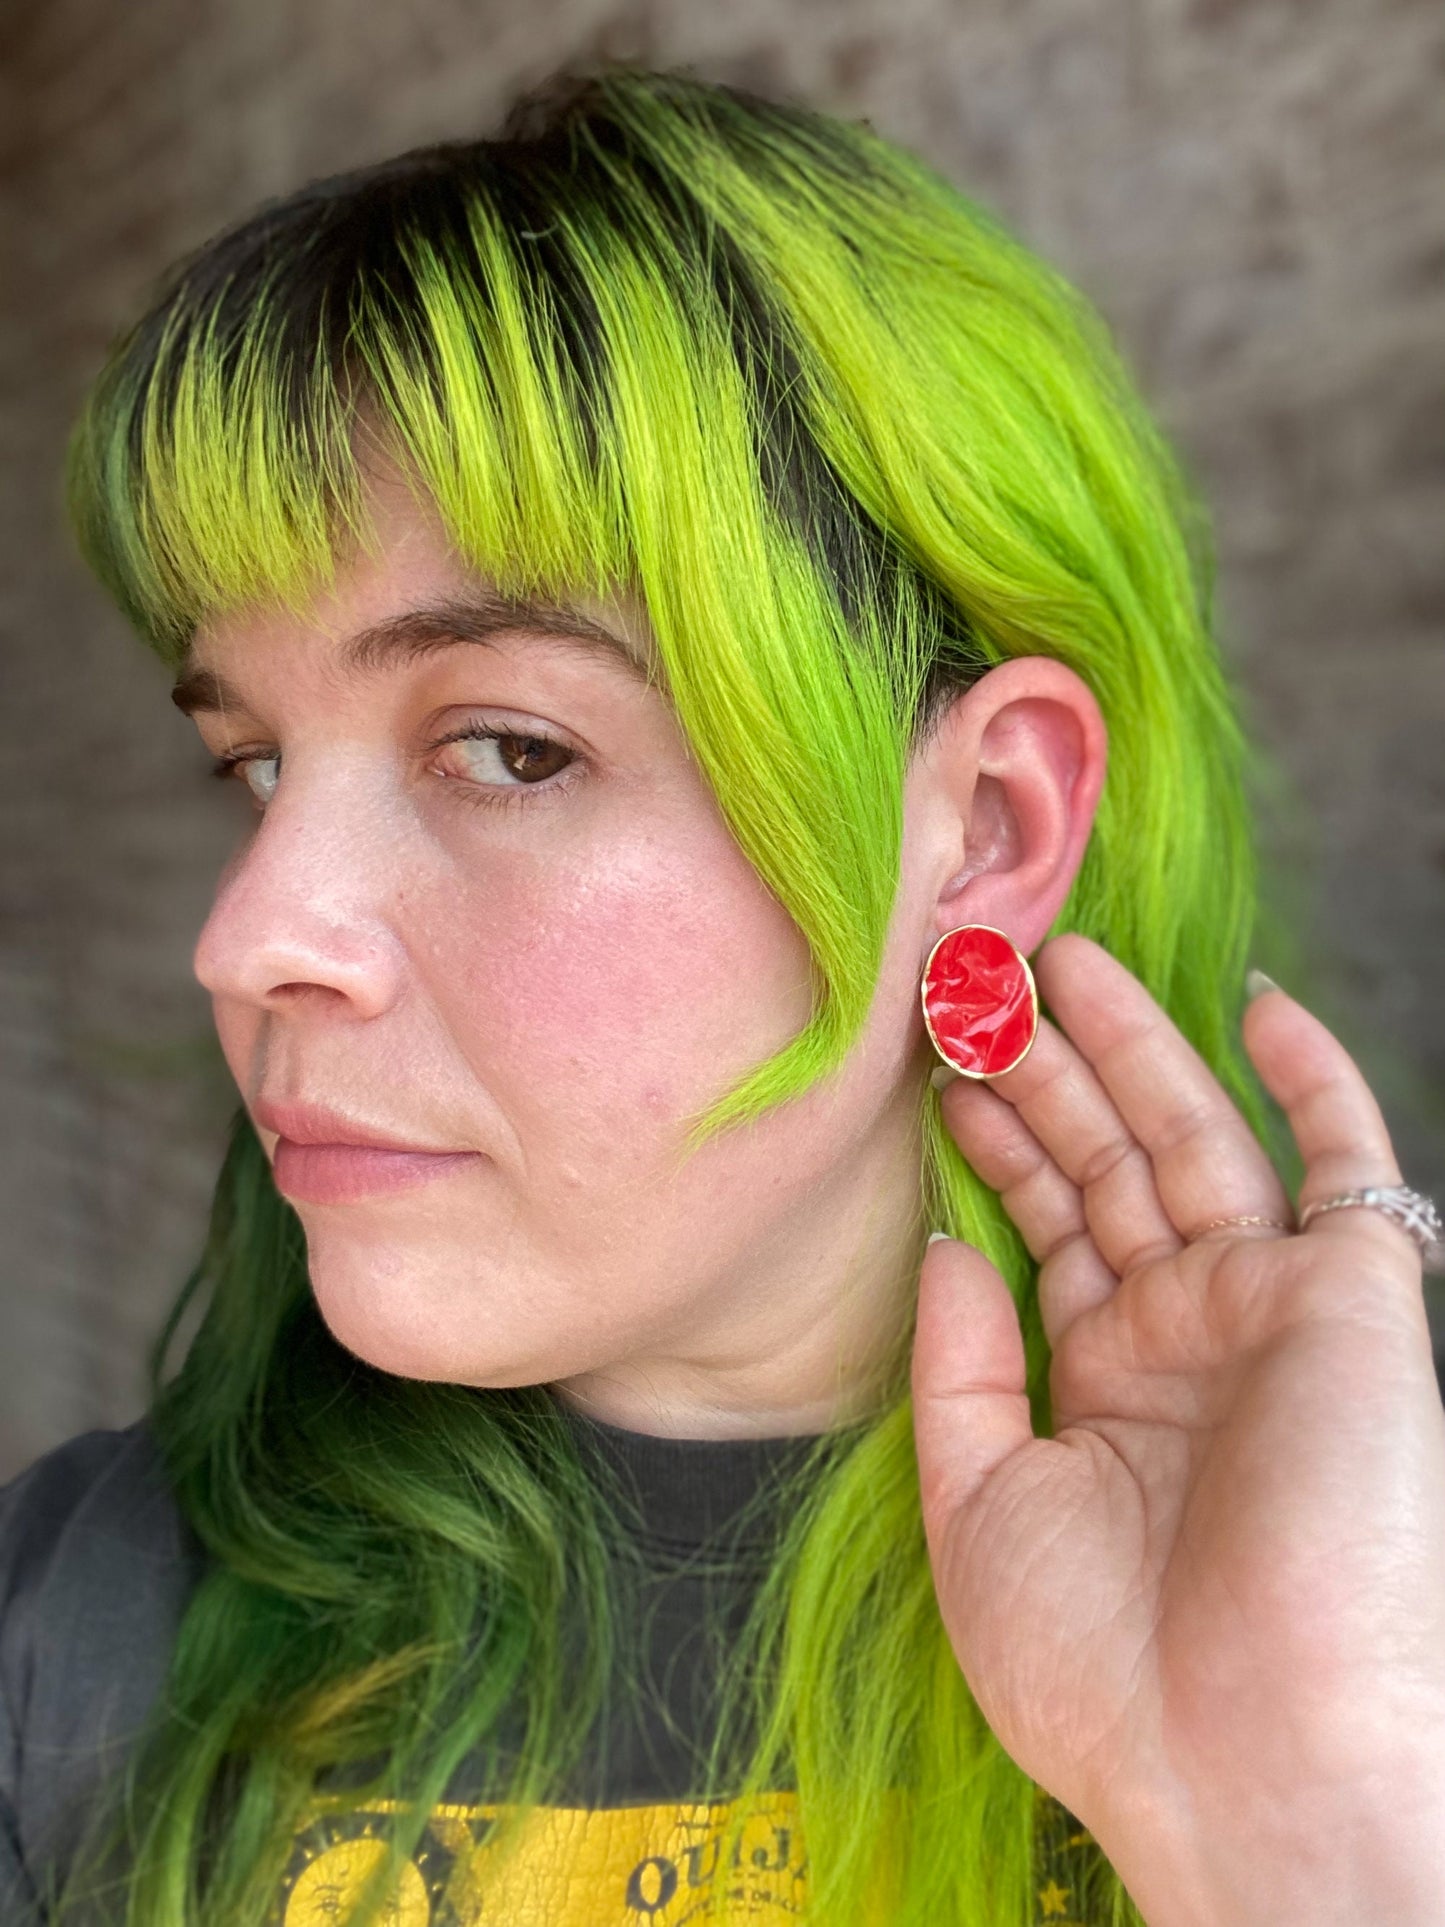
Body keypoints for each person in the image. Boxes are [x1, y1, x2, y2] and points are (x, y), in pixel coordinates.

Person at [4, 61, 1444, 1927]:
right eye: (256, 763)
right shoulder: (78, 1642)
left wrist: (1301, 1841)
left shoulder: (1381, 1626)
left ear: (987, 828)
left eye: (509, 750)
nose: (252, 934)